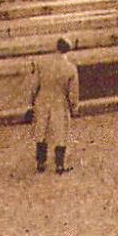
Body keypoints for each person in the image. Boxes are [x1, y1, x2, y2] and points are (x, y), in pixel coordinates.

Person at [27, 37, 81, 174]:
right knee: (60, 132)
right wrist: (74, 106)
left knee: (42, 131)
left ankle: (40, 162)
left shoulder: (42, 64)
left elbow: (34, 85)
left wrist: (31, 101)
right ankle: (59, 165)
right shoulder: (70, 68)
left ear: (56, 47)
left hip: (42, 99)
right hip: (59, 101)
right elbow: (73, 91)